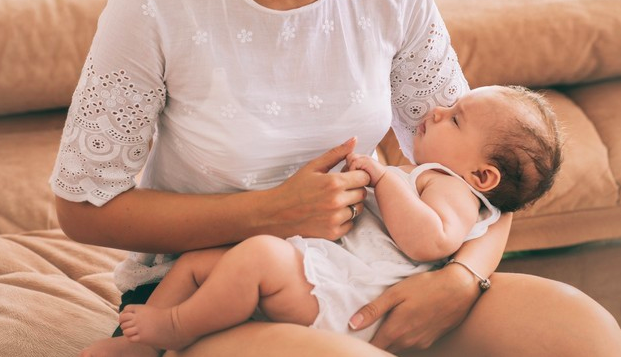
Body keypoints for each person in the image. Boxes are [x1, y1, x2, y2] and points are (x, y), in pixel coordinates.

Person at [49, 0, 621, 356]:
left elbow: (482, 175)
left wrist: (459, 279)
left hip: (366, 276)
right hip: (214, 289)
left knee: (584, 335)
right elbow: (83, 210)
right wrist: (268, 213)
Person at [115, 84, 561, 352]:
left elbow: (433, 241)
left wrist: (383, 179)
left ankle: (174, 329)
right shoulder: (436, 176)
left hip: (346, 295)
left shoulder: (452, 187)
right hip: (323, 270)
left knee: (256, 258)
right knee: (197, 262)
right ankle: (138, 348)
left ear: (483, 175)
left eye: (456, 119)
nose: (437, 109)